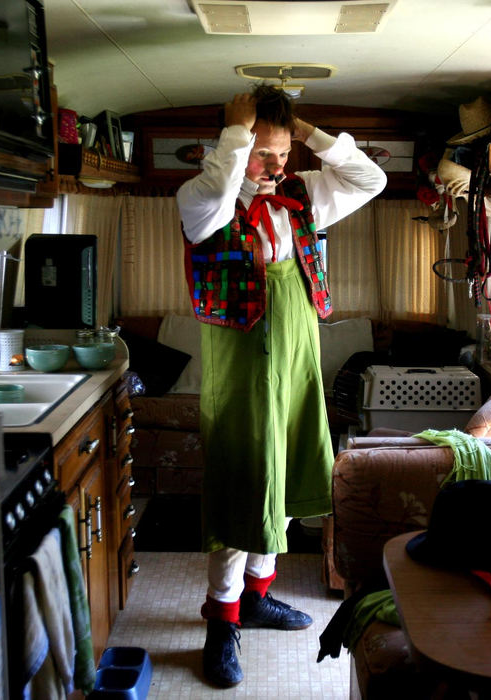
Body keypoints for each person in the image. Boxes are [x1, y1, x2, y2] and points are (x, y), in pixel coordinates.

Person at [176, 84, 386, 687]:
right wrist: (238, 142)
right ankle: (222, 621)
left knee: (288, 470)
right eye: (261, 153)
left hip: (297, 352)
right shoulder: (202, 199)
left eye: (282, 152)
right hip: (240, 361)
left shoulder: (305, 195)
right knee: (245, 481)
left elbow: (369, 181)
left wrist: (308, 132)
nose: (275, 166)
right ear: (234, 145)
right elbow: (220, 186)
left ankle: (258, 595)